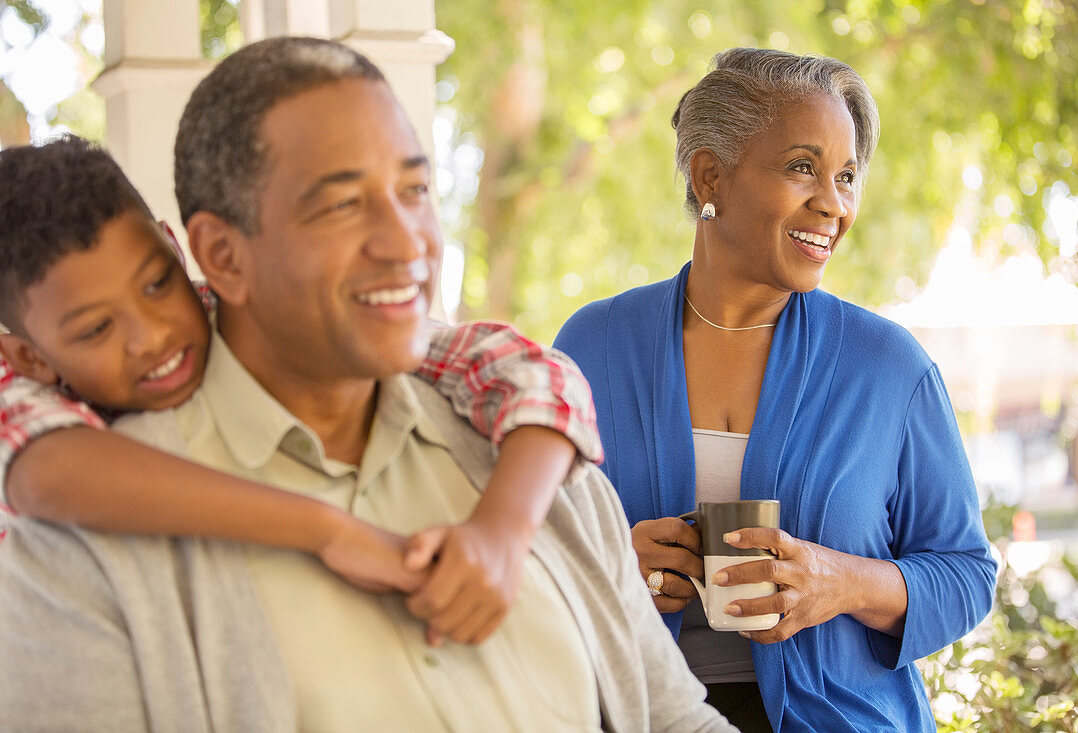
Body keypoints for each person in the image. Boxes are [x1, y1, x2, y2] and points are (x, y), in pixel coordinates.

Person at [0, 37, 734, 732]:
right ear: (220, 255)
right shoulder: (76, 554)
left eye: (415, 187)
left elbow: (673, 717)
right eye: (342, 204)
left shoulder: (529, 450)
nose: (407, 241)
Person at [0, 135, 604, 646]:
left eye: (157, 282)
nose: (151, 334)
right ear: (28, 355)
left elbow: (531, 372)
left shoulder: (231, 314)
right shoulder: (24, 397)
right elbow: (47, 472)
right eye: (97, 329)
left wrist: (501, 531)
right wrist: (331, 530)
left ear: (174, 244)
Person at [555, 47, 997, 732]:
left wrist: (840, 582)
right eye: (803, 167)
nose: (834, 204)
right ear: (711, 177)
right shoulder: (592, 348)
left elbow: (966, 574)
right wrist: (612, 561)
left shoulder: (889, 367)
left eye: (847, 176)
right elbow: (525, 549)